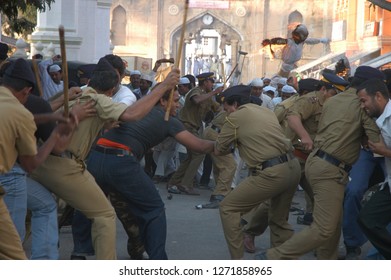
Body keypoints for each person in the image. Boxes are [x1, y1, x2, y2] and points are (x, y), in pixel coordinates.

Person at [30, 58, 180, 259]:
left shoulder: (74, 95)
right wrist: (163, 88)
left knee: (41, 211)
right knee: (104, 214)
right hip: (65, 165)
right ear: (111, 91)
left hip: (40, 162)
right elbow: (132, 114)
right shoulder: (99, 100)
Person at [70, 89, 215, 259]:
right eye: (175, 100)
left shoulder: (133, 110)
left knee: (86, 205)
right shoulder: (168, 119)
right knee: (154, 209)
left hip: (97, 156)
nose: (178, 104)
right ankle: (158, 260)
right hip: (121, 161)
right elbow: (198, 146)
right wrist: (221, 144)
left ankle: (80, 250)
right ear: (162, 101)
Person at [258, 66, 383, 260]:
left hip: (317, 162)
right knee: (324, 228)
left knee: (333, 223)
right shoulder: (361, 104)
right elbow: (376, 143)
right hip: (330, 169)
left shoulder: (333, 100)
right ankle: (274, 257)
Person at [214, 85, 301, 259]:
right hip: (292, 167)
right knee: (278, 221)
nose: (226, 112)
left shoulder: (235, 117)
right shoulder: (265, 111)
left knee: (228, 208)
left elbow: (219, 149)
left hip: (272, 172)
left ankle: (238, 263)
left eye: (226, 108)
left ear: (235, 104)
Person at [0, 58, 76, 260]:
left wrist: (51, 117)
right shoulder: (21, 112)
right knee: (11, 251)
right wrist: (55, 135)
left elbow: (14, 118)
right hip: (8, 178)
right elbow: (31, 163)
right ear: (26, 91)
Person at [167, 72, 222, 195]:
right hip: (187, 126)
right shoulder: (195, 91)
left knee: (191, 157)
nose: (212, 84)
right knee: (199, 154)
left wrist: (223, 98)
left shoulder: (207, 96)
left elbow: (218, 108)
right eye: (211, 82)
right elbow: (196, 100)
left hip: (194, 128)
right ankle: (186, 184)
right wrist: (214, 92)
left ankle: (174, 182)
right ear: (205, 82)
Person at [357, 78, 391, 260]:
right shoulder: (381, 119)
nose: (363, 106)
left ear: (378, 96)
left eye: (364, 101)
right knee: (367, 219)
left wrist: (383, 151)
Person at [262, 24, 329, 77]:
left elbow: (312, 40)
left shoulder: (302, 42)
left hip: (293, 66)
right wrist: (270, 41)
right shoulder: (290, 41)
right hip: (286, 68)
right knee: (283, 79)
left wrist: (321, 40)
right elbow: (280, 40)